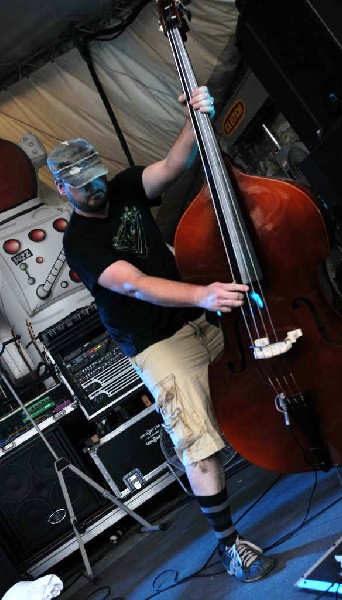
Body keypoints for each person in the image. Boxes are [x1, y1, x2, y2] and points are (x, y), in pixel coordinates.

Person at [47, 86, 275, 583]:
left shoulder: (124, 186)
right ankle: (229, 545)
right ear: (62, 187)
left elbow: (173, 165)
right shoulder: (79, 242)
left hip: (194, 316)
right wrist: (202, 295)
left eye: (96, 178)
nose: (95, 190)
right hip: (157, 342)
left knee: (271, 350)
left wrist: (196, 115)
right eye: (82, 186)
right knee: (197, 439)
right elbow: (137, 285)